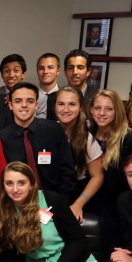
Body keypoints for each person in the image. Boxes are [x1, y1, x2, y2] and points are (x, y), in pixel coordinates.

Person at [0, 162, 93, 262]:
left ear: (31, 184)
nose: (15, 189)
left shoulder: (52, 200)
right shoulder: (3, 209)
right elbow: (7, 251)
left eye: (21, 183)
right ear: (3, 185)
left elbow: (79, 240)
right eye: (9, 183)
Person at [88, 90, 132, 253]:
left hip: (116, 209)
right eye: (98, 108)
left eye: (109, 109)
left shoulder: (128, 141)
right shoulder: (86, 135)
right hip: (90, 202)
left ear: (117, 112)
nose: (102, 113)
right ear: (91, 110)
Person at [0, 82, 77, 199]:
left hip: (54, 200)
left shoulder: (54, 130)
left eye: (29, 101)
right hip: (18, 202)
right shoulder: (2, 138)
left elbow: (67, 170)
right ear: (10, 105)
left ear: (36, 105)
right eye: (18, 101)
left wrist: (61, 201)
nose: (24, 105)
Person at [54, 86, 104, 221]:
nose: (65, 109)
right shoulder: (47, 131)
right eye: (61, 104)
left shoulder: (87, 138)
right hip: (52, 193)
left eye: (72, 104)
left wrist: (78, 204)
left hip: (77, 193)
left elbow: (97, 176)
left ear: (81, 107)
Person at [35, 53, 61, 120]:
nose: (45, 71)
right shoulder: (30, 97)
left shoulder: (66, 96)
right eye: (41, 68)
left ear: (58, 71)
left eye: (50, 68)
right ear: (37, 71)